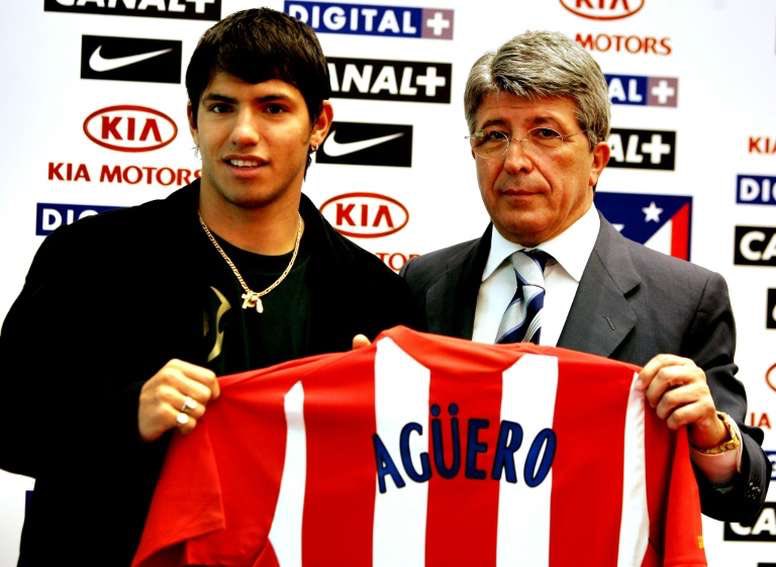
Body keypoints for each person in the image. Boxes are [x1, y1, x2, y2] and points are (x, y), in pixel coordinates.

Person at [0, 8, 412, 565]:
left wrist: (381, 417)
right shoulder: (90, 258)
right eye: (221, 107)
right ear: (193, 120)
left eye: (273, 107)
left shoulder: (376, 298)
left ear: (319, 124)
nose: (244, 132)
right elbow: (9, 423)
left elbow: (404, 491)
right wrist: (129, 415)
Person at [401, 31, 770, 524]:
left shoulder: (684, 298)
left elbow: (737, 499)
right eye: (494, 136)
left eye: (545, 134)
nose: (515, 160)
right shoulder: (422, 283)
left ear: (597, 159)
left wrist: (711, 435)